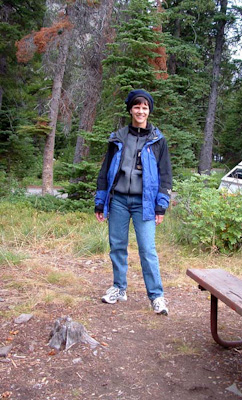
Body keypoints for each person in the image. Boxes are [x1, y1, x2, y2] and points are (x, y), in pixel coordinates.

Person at [94, 89, 172, 315]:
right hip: (118, 200)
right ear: (130, 109)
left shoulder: (158, 140)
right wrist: (100, 202)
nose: (141, 111)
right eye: (137, 107)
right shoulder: (117, 137)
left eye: (145, 107)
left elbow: (165, 174)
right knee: (117, 246)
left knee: (147, 249)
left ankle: (157, 296)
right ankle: (119, 288)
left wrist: (161, 205)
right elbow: (105, 170)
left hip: (144, 203)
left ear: (149, 111)